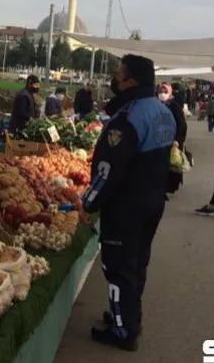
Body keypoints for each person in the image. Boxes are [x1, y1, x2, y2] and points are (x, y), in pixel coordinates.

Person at [81, 54, 175, 351]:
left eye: (118, 73)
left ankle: (123, 332)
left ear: (130, 80)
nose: (114, 78)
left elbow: (108, 170)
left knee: (118, 268)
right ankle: (128, 317)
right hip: (152, 203)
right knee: (136, 264)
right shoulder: (163, 112)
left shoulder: (127, 119)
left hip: (126, 209)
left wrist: (88, 204)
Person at [158, 83, 188, 195]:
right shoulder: (157, 104)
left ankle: (172, 185)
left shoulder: (174, 106)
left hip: (173, 139)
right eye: (160, 92)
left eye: (165, 92)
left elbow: (182, 124)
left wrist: (178, 139)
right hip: (160, 139)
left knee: (173, 162)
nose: (162, 94)